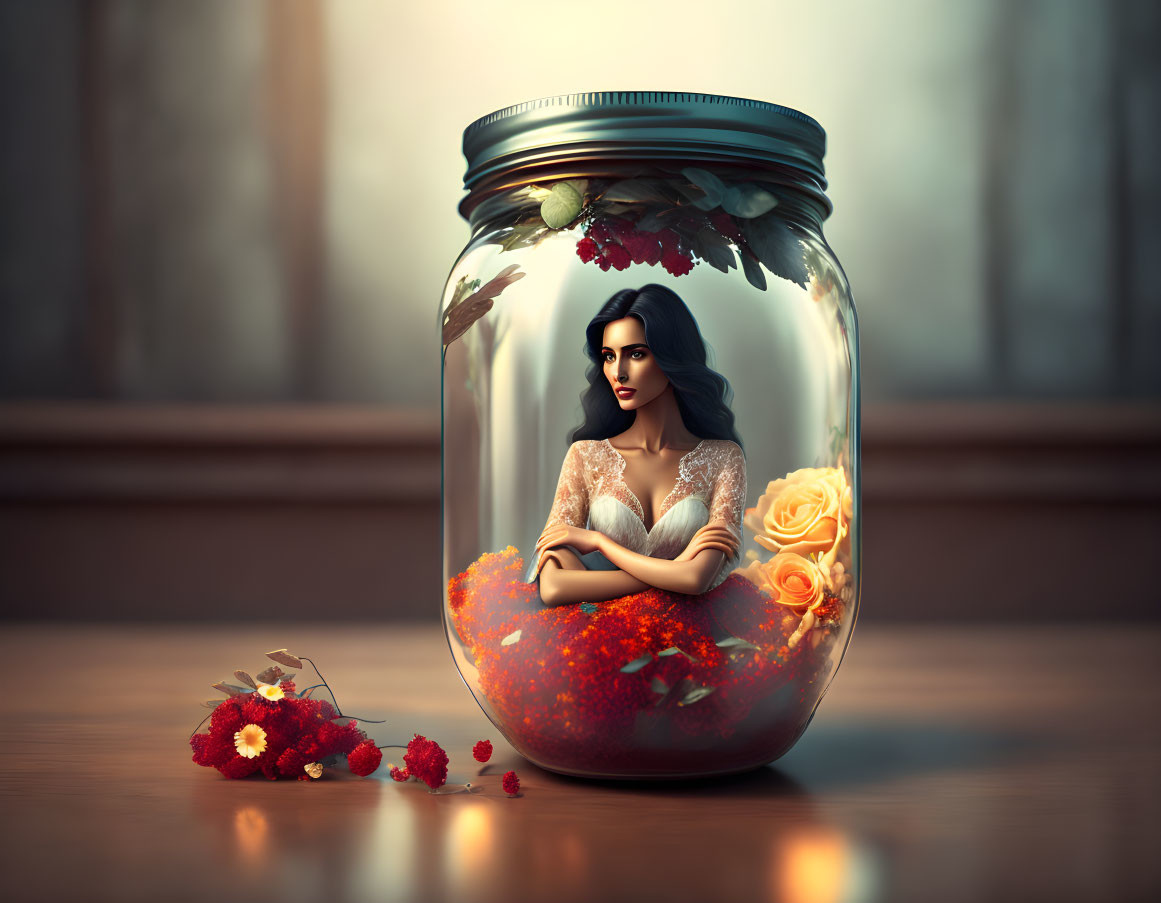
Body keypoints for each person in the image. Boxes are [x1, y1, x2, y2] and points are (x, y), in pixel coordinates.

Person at [533, 284, 747, 606]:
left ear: (672, 355)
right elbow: (552, 587)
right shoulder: (586, 456)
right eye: (609, 356)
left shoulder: (724, 459)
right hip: (602, 642)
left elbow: (697, 578)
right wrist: (675, 568)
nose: (618, 372)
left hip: (694, 641)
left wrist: (600, 544)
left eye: (636, 354)